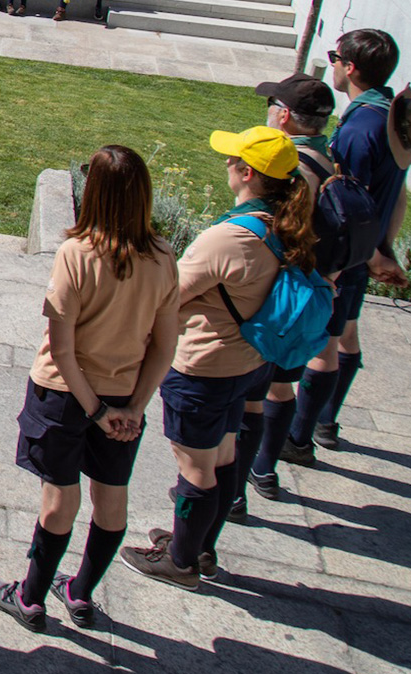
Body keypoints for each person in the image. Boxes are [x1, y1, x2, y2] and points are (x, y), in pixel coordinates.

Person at [0, 145, 178, 631]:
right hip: (123, 398)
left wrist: (94, 410)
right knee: (112, 502)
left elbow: (63, 348)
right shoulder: (163, 258)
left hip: (65, 396)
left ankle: (29, 599)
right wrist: (132, 407)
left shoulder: (76, 254)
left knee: (60, 500)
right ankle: (80, 592)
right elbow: (164, 347)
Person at [119, 126, 310, 589]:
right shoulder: (285, 223)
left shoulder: (230, 239)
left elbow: (167, 298)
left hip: (204, 368)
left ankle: (181, 562)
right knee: (223, 459)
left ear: (248, 172)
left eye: (232, 159)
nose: (225, 164)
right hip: (250, 363)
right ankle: (201, 545)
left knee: (196, 469)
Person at [283, 30, 410, 460]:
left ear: (350, 67)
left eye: (336, 57)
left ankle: (297, 439)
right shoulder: (390, 114)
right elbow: (399, 192)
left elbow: (348, 205)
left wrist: (363, 258)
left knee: (326, 342)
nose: (333, 63)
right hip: (367, 250)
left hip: (347, 255)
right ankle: (325, 421)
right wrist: (384, 249)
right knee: (347, 334)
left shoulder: (359, 128)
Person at [231, 73, 335, 519]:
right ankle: (265, 470)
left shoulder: (297, 169)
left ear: (285, 115)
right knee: (276, 385)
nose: (268, 110)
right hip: (309, 292)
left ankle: (238, 489)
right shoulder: (327, 157)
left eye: (271, 104)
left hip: (279, 299)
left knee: (255, 394)